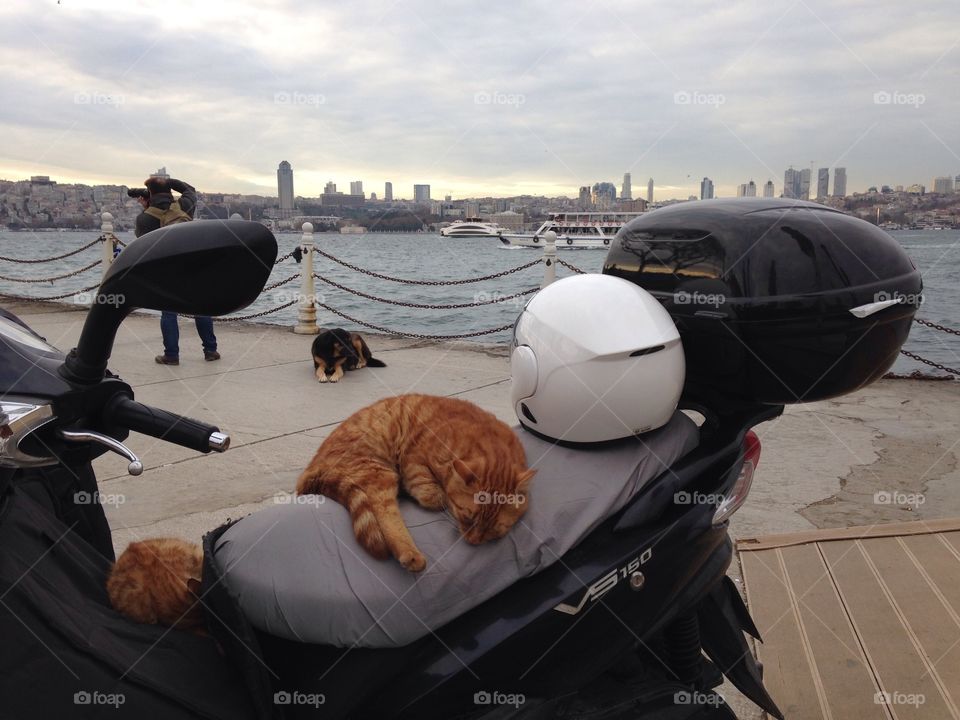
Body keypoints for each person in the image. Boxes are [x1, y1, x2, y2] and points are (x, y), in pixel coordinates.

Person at [130, 177, 220, 365]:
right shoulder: (185, 205)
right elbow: (190, 188)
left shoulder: (145, 218)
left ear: (150, 194)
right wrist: (169, 182)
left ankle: (171, 355)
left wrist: (146, 207)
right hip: (193, 265)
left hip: (167, 270)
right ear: (170, 191)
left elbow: (142, 240)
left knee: (169, 313)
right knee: (201, 308)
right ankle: (210, 350)